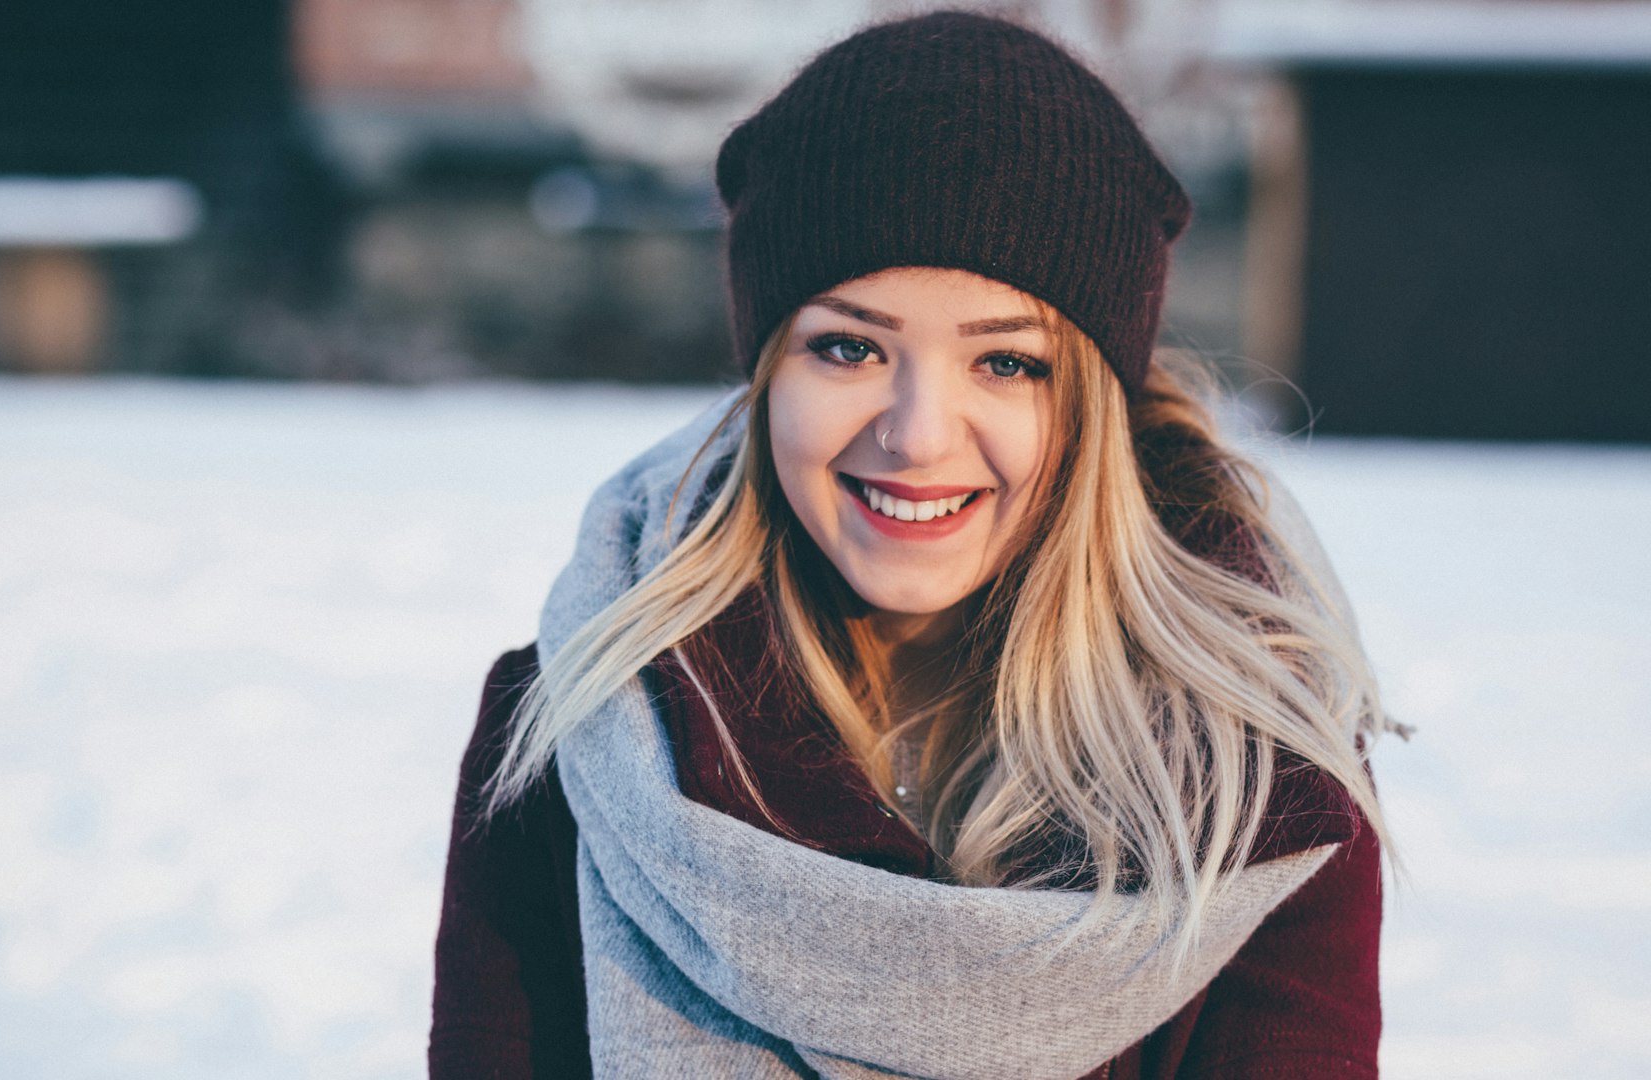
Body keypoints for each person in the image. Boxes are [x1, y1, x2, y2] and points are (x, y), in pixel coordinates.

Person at [431, 11, 1396, 1079]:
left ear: (1093, 408)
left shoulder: (1255, 782)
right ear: (765, 381)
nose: (917, 435)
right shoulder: (579, 730)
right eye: (847, 348)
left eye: (1007, 364)